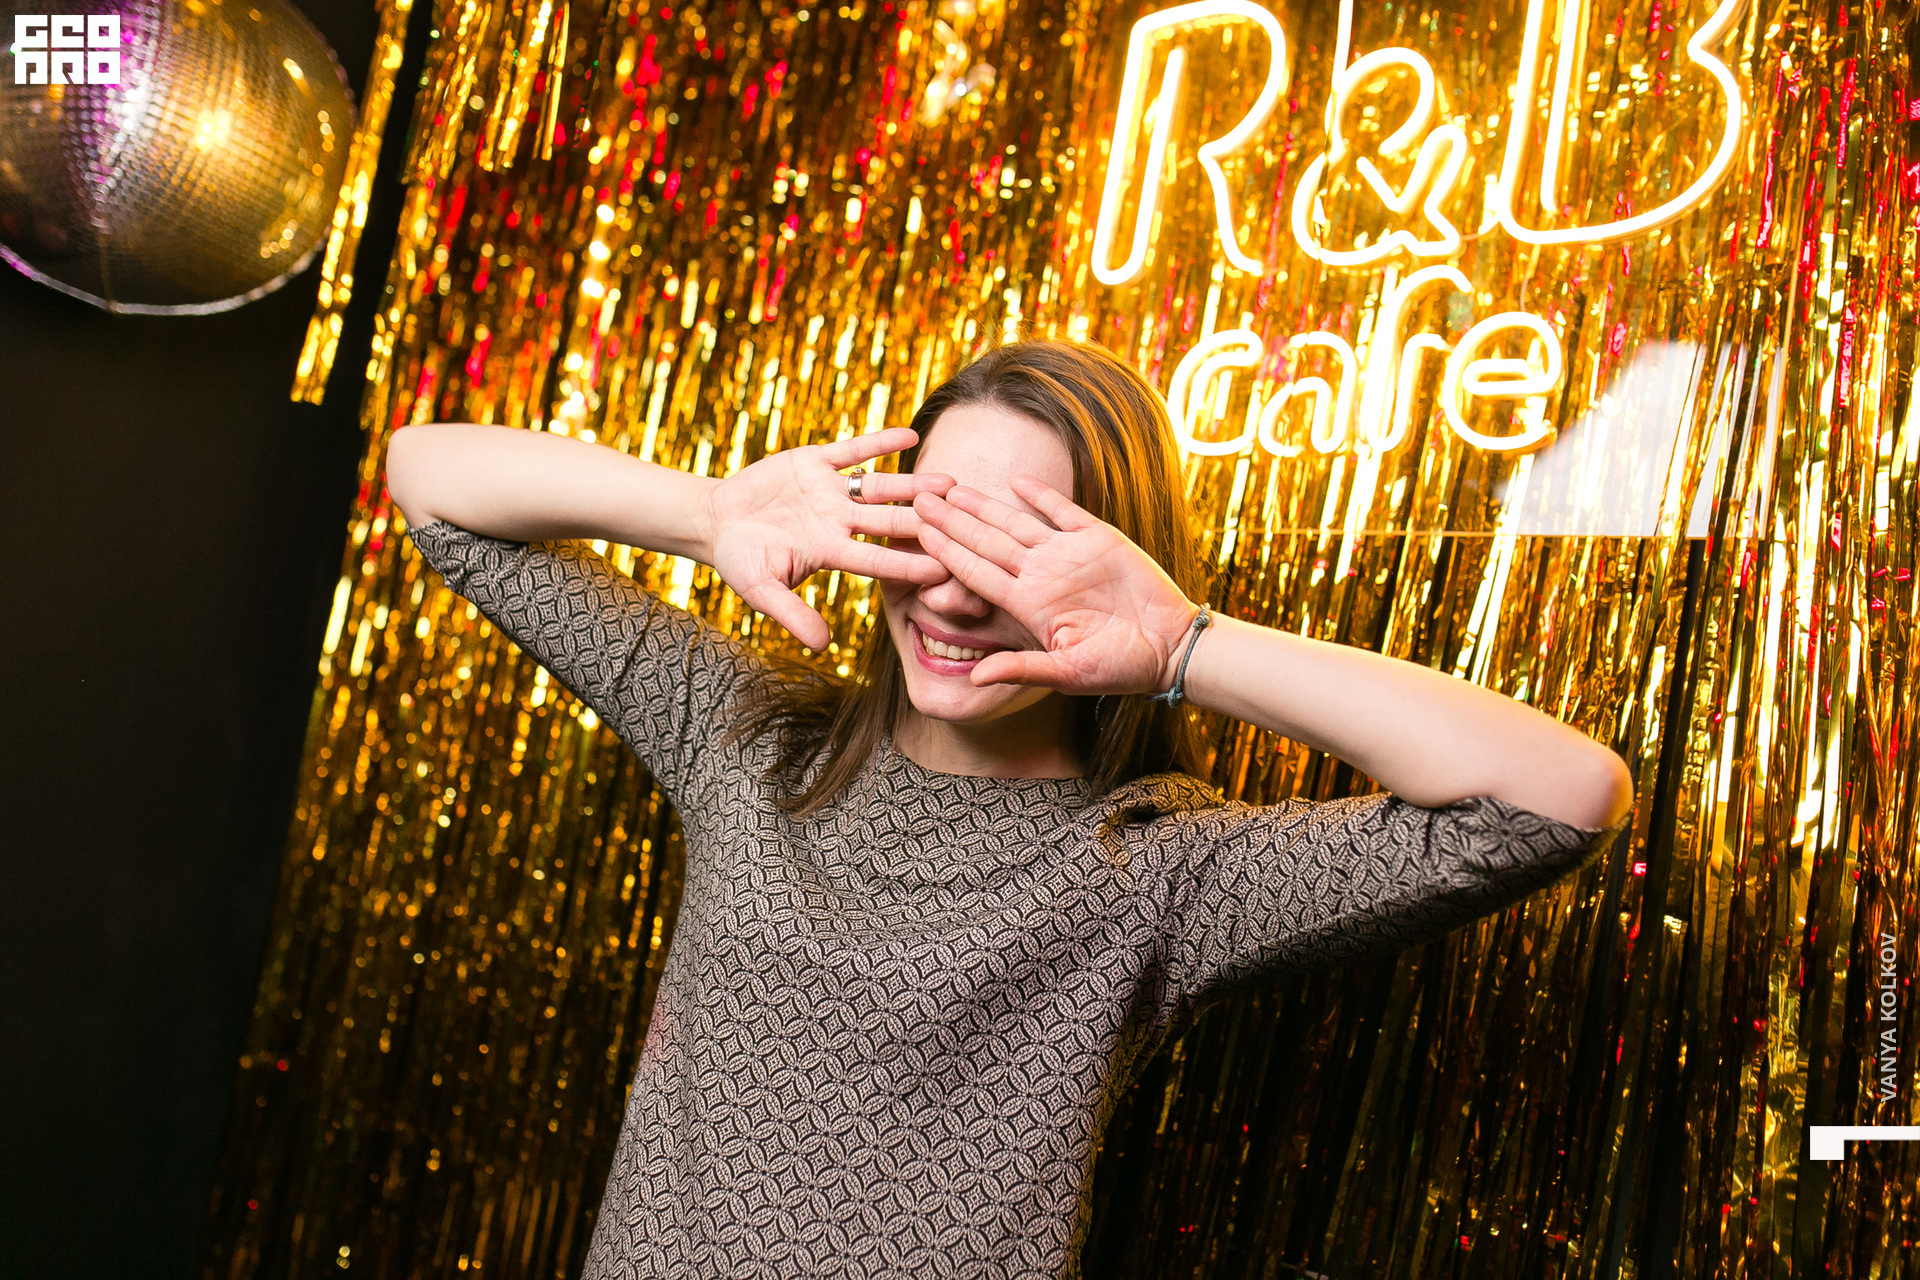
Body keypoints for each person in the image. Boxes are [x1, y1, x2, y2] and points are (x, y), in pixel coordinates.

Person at [385, 337, 1632, 1280]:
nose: (956, 595)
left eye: (1018, 549)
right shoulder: (750, 738)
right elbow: (429, 479)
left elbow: (1559, 797)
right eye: (934, 526)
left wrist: (1181, 642)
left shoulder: (1156, 865)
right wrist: (708, 513)